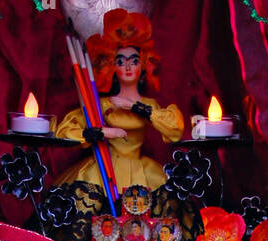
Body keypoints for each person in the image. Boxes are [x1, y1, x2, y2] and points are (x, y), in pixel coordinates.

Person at [53, 10, 183, 193]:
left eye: (134, 61)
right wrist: (102, 132)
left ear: (144, 64)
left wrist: (134, 107)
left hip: (142, 172)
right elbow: (65, 132)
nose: (128, 67)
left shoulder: (149, 105)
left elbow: (174, 129)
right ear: (112, 66)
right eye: (121, 62)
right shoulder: (103, 104)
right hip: (102, 171)